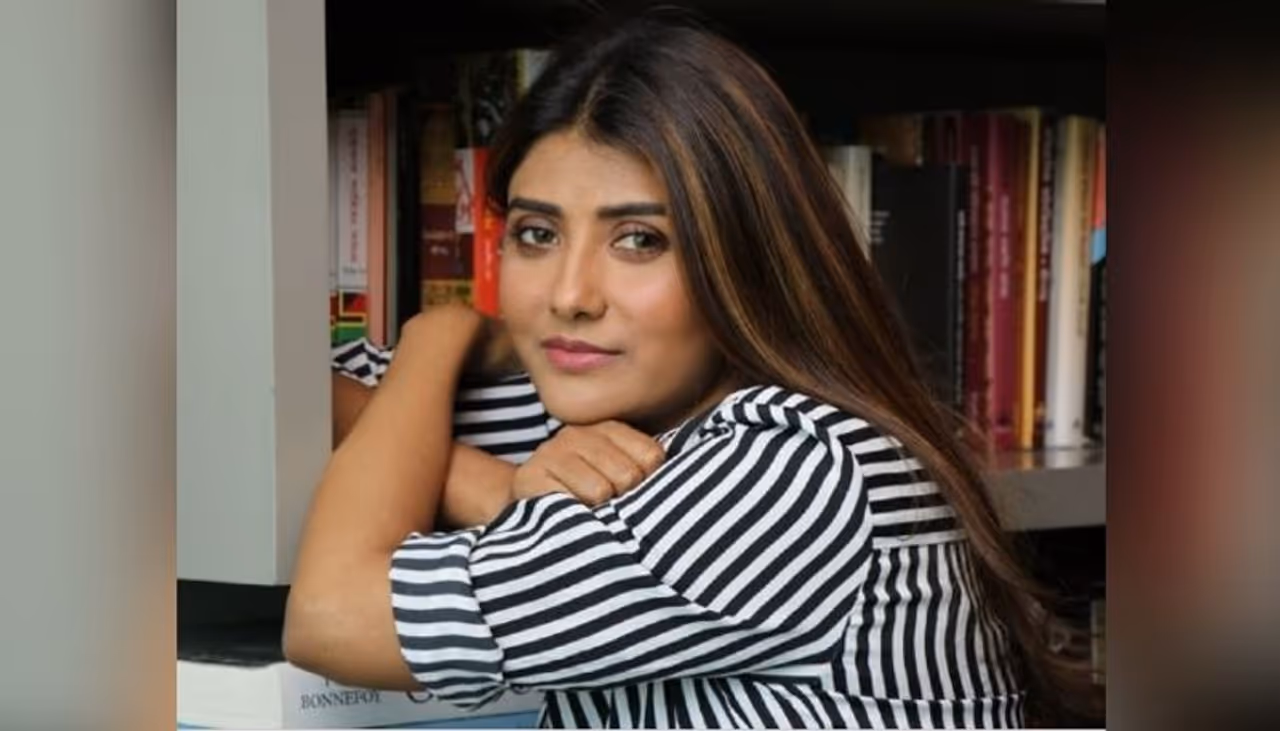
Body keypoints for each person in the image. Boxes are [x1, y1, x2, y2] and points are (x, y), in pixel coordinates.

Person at [285, 11, 1095, 729]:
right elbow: (266, 393)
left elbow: (332, 617)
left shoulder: (799, 467)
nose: (569, 295)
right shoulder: (610, 400)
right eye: (537, 234)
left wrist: (436, 342)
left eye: (640, 240)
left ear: (744, 258)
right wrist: (476, 458)